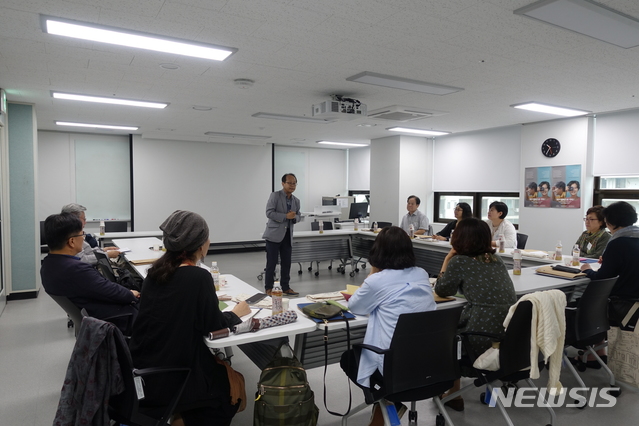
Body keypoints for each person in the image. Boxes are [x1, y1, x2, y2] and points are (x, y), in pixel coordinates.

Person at [130, 210, 251, 426]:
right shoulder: (198, 277)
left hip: (145, 363)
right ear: (199, 244)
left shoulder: (155, 273)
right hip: (176, 371)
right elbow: (212, 327)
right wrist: (236, 314)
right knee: (231, 391)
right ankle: (183, 418)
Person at [340, 226, 435, 423]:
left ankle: (388, 401)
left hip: (394, 369)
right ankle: (386, 407)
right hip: (429, 364)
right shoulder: (421, 274)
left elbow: (356, 306)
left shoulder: (377, 280)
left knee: (349, 359)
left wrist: (373, 272)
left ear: (378, 251)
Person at [434, 218, 517, 411]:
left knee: (447, 334)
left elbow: (442, 289)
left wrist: (447, 259)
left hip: (479, 334)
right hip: (507, 333)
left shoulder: (459, 261)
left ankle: (454, 394)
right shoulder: (496, 260)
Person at [40, 213, 139, 331]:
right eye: (82, 234)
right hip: (111, 320)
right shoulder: (77, 270)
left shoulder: (48, 265)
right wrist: (131, 294)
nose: (83, 238)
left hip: (91, 316)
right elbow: (111, 291)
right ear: (71, 241)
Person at [581, 201, 639, 328]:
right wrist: (608, 260)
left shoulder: (617, 243)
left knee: (582, 305)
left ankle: (591, 345)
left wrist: (587, 270)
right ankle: (599, 348)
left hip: (621, 303)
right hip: (634, 302)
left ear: (610, 223)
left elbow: (602, 277)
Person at [262, 173, 301, 297]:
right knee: (271, 263)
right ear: (283, 183)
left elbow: (299, 215)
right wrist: (285, 216)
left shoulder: (296, 200)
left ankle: (286, 287)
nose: (292, 185)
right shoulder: (275, 196)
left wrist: (295, 218)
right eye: (289, 183)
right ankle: (269, 288)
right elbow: (269, 213)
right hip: (274, 234)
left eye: (294, 183)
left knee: (286, 263)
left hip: (287, 235)